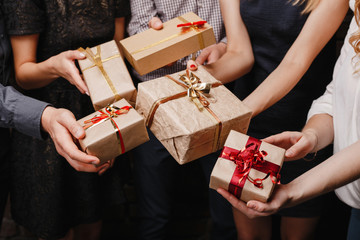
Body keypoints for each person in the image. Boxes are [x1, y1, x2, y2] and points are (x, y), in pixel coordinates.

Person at [188, 0, 349, 239]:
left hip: (304, 128)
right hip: (249, 122)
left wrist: (234, 115)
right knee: (250, 232)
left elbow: (295, 63)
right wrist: (199, 80)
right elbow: (239, 54)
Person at [2, 0, 130, 239]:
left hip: (97, 108)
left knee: (92, 217)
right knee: (53, 223)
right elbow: (22, 74)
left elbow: (117, 53)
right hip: (47, 115)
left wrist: (116, 125)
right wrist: (55, 67)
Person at [126, 1, 236, 239]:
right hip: (158, 98)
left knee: (227, 206)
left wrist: (224, 48)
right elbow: (137, 30)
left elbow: (240, 29)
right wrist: (155, 46)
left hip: (214, 93)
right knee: (154, 214)